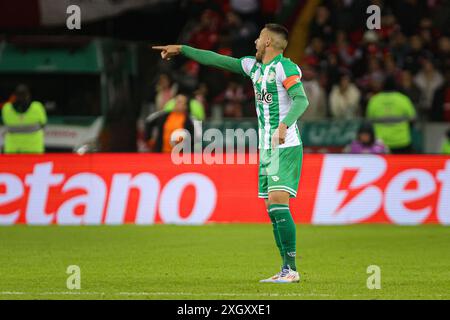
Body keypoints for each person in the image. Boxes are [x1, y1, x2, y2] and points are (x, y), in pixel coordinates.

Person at [153, 23, 309, 283]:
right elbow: (217, 60)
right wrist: (182, 49)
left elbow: (301, 99)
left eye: (259, 38)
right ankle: (285, 268)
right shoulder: (254, 67)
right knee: (272, 207)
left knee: (279, 201)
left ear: (268, 41)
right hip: (266, 148)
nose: (255, 42)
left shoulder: (285, 67)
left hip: (286, 144)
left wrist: (284, 125)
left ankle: (292, 270)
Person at [366, 77, 416, 154]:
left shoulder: (374, 100)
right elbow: (413, 118)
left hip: (380, 143)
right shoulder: (403, 99)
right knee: (401, 166)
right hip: (401, 142)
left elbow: (368, 121)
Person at [1, 84, 47, 154]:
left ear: (14, 96)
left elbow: (4, 122)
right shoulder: (37, 107)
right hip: (34, 149)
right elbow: (43, 123)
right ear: (28, 95)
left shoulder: (6, 108)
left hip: (13, 150)